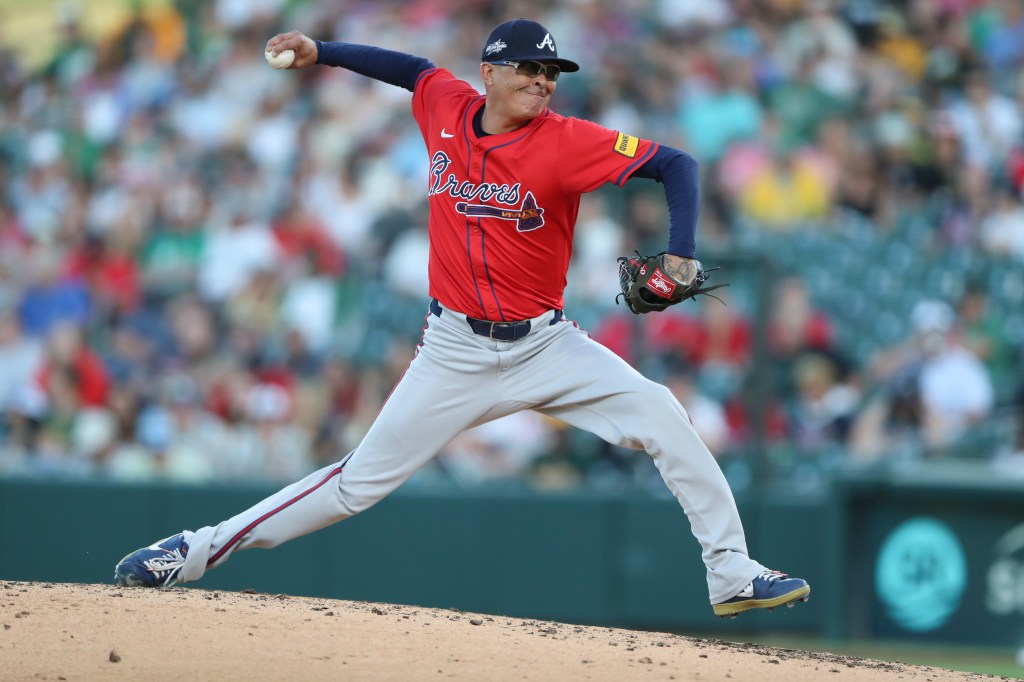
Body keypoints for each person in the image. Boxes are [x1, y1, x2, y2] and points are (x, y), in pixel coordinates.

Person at [113, 18, 809, 618]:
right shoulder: (445, 104)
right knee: (354, 486)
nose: (542, 81)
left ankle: (731, 574)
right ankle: (193, 552)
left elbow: (677, 165)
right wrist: (321, 51)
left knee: (662, 414)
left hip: (546, 345)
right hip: (453, 350)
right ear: (490, 72)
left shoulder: (566, 141)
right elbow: (410, 68)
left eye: (551, 72)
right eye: (529, 69)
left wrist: (681, 254)